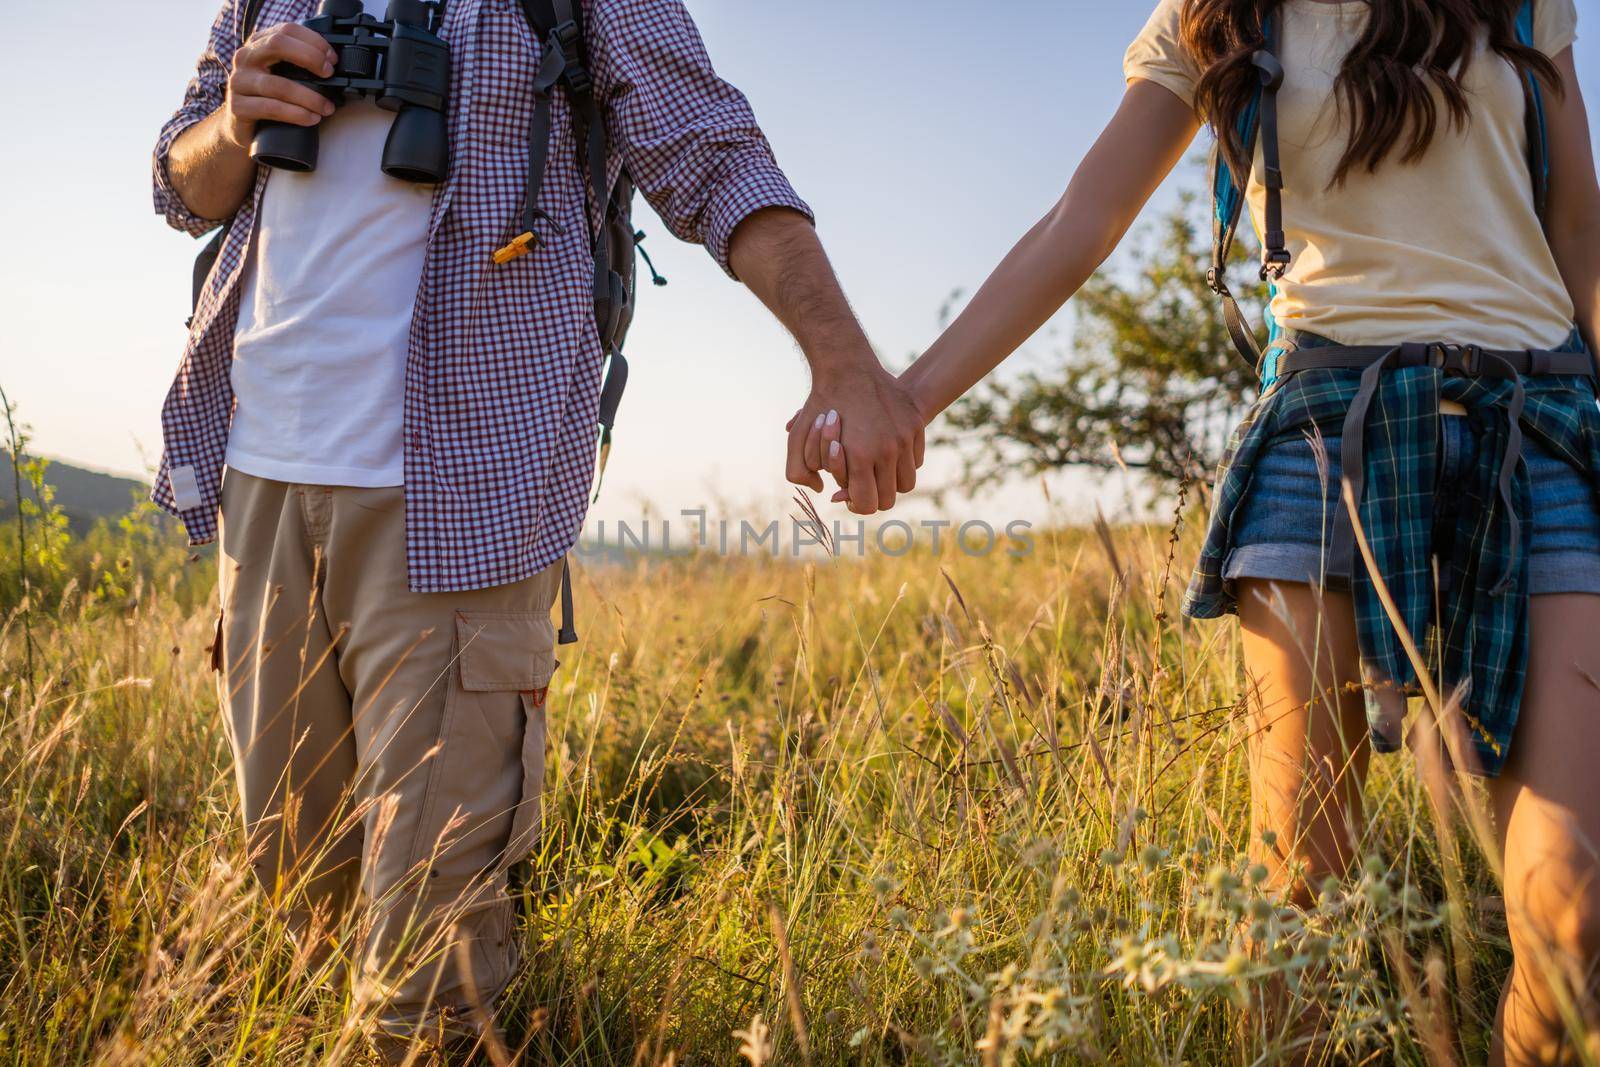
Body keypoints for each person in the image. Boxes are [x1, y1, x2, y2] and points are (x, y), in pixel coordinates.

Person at [793, 1, 1600, 1061]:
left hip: (1534, 426)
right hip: (1328, 431)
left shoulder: (1521, 4)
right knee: (1297, 902)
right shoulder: (1213, 16)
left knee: (1573, 919)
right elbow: (1077, 222)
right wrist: (907, 393)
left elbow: (1579, 230)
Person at [152, 0, 923, 1056]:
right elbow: (181, 183)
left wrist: (842, 360)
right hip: (259, 483)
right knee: (303, 913)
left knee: (428, 973)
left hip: (464, 494)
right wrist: (236, 119)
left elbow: (713, 152)